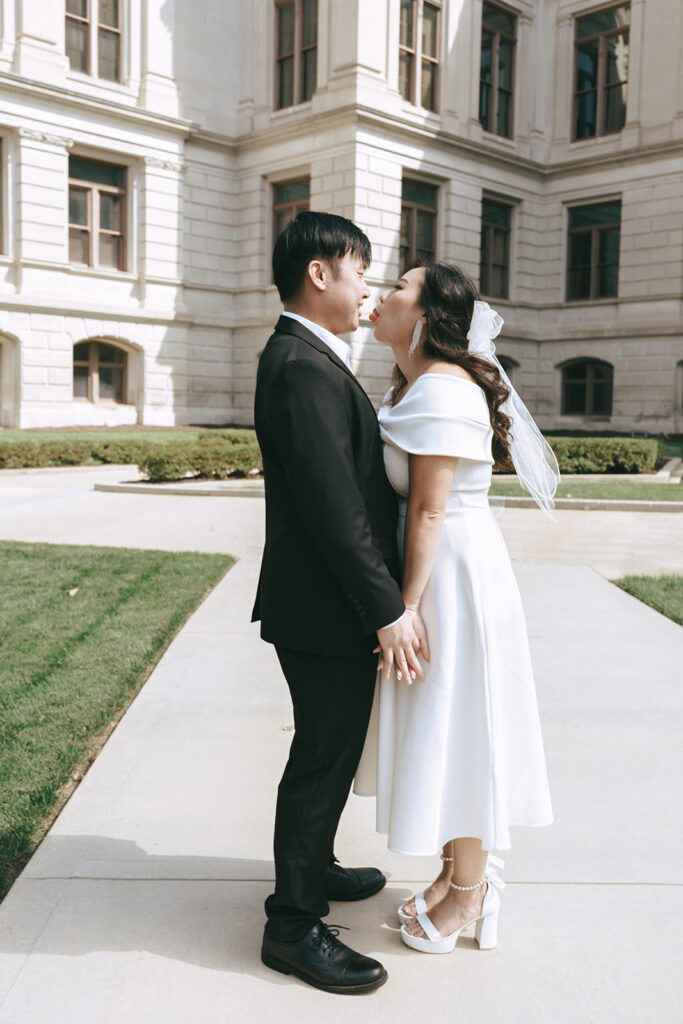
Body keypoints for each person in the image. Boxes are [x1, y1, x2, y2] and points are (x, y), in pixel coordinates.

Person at [356, 261, 557, 954]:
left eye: (397, 288)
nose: (379, 296)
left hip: (451, 577)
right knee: (444, 725)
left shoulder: (442, 390)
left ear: (428, 313)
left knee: (460, 725)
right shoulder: (419, 384)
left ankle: (471, 889)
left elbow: (429, 509)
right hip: (441, 569)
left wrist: (403, 610)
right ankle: (454, 870)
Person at [252, 211, 428, 993]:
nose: (366, 286)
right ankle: (291, 927)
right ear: (318, 272)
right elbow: (334, 509)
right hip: (324, 610)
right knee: (319, 760)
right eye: (359, 270)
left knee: (325, 752)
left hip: (321, 606)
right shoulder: (299, 365)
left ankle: (313, 868)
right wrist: (385, 609)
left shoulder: (313, 355)